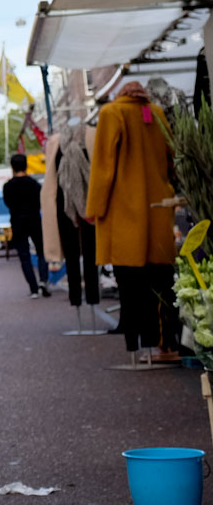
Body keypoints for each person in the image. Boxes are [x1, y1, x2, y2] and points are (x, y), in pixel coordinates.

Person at [85, 81, 178, 360]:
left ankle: (138, 346)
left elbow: (103, 166)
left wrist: (95, 208)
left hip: (125, 213)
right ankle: (166, 344)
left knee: (130, 284)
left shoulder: (112, 113)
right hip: (158, 210)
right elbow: (173, 157)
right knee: (162, 281)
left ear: (120, 94)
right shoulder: (156, 113)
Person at [54, 126, 99, 307]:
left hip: (90, 204)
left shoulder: (92, 136)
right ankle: (75, 299)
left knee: (92, 255)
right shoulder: (55, 143)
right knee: (71, 256)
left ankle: (93, 298)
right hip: (65, 206)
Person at [3, 153, 50, 298]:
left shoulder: (8, 186)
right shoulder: (34, 184)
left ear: (12, 167)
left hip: (17, 221)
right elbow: (41, 201)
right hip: (34, 219)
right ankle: (43, 280)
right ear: (26, 165)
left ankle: (33, 288)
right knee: (42, 251)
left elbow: (8, 203)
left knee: (24, 255)